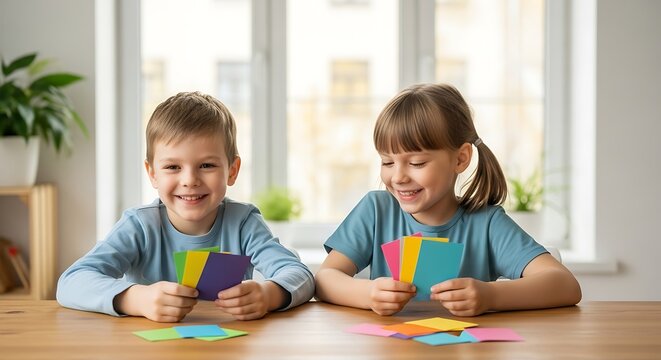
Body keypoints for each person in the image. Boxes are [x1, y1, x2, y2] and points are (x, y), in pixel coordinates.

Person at [315, 83, 581, 317]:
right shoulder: (376, 211)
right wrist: (368, 293)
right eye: (387, 161)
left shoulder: (486, 223)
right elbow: (325, 279)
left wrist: (491, 296)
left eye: (417, 163)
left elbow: (565, 285)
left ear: (460, 159)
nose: (398, 177)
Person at [57, 91, 314, 322]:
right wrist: (135, 299)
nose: (190, 180)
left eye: (206, 165)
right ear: (152, 173)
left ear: (232, 171)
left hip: (228, 347)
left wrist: (269, 295)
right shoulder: (139, 225)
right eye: (172, 167)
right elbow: (71, 282)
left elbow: (299, 274)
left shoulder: (243, 222)